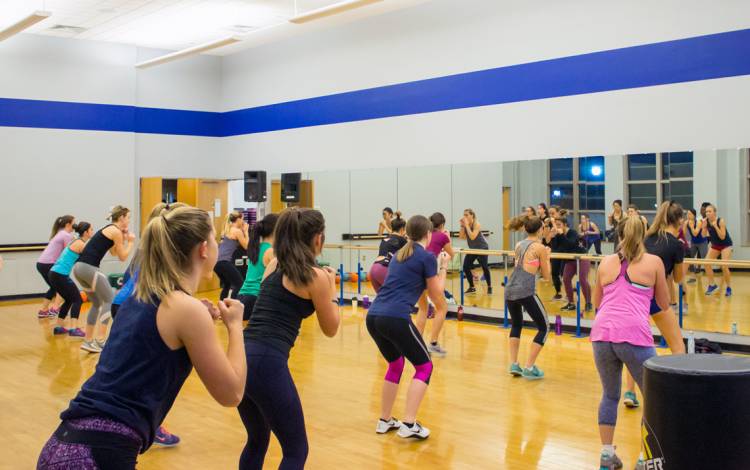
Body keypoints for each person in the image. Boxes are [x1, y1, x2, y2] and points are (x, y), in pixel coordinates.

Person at [38, 206, 247, 470]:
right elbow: (232, 393)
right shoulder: (185, 309)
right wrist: (235, 326)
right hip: (94, 455)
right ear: (203, 249)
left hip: (65, 443)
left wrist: (196, 314)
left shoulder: (143, 296)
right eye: (215, 240)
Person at [238, 208, 339, 470]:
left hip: (241, 355)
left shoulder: (274, 264)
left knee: (257, 438)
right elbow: (331, 328)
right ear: (318, 239)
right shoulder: (315, 277)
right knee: (296, 451)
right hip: (267, 362)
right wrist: (333, 290)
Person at [590, 216, 685, 470]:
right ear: (644, 235)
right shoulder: (653, 262)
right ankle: (646, 457)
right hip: (633, 335)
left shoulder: (606, 262)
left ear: (618, 234)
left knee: (610, 395)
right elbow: (664, 304)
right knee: (653, 397)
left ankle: (607, 456)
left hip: (601, 334)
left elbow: (597, 302)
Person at [366, 215, 448, 441]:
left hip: (373, 316)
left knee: (396, 362)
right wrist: (443, 268)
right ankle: (409, 423)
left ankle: (384, 420)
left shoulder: (401, 255)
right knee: (425, 367)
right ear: (428, 234)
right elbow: (436, 294)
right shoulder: (426, 257)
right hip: (395, 317)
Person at [73, 206, 135, 353]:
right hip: (89, 268)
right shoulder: (116, 231)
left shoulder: (111, 230)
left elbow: (114, 252)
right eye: (128, 217)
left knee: (96, 303)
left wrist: (124, 239)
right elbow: (122, 257)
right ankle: (100, 340)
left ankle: (88, 341)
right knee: (110, 299)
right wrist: (131, 242)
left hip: (79, 268)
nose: (128, 220)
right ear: (121, 218)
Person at [506, 215, 551, 380]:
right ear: (541, 230)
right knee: (544, 327)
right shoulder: (540, 248)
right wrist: (547, 257)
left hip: (510, 289)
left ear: (525, 229)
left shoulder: (519, 244)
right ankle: (529, 367)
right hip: (525, 291)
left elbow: (526, 265)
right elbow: (547, 276)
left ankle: (514, 364)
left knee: (516, 324)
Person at [416, 212, 455, 357]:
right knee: (442, 307)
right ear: (442, 225)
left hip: (418, 272)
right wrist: (448, 238)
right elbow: (451, 254)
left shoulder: (425, 234)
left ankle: (417, 342)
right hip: (429, 272)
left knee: (423, 308)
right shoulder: (443, 236)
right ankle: (433, 343)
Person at [48, 222, 92, 337]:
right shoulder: (81, 244)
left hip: (54, 273)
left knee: (68, 299)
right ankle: (74, 329)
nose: (92, 231)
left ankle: (59, 327)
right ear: (86, 232)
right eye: (91, 230)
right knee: (78, 299)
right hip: (60, 274)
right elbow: (90, 259)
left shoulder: (75, 241)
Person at [238, 213, 279, 322]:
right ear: (277, 230)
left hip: (241, 297)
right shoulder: (271, 252)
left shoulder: (256, 248)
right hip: (254, 299)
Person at [36, 215, 75, 318]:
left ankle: (43, 310)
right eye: (73, 224)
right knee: (61, 286)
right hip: (49, 264)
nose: (75, 226)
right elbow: (70, 251)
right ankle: (55, 309)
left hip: (41, 263)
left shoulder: (60, 233)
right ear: (68, 224)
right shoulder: (66, 235)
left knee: (54, 287)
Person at [553, 216, 592, 312]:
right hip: (570, 260)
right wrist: (553, 237)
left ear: (565, 225)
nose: (557, 227)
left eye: (559, 225)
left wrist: (561, 235)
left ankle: (588, 302)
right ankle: (571, 303)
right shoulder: (558, 234)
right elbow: (557, 248)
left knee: (583, 280)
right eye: (556, 225)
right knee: (566, 279)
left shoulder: (572, 232)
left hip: (582, 257)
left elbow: (569, 244)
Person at [214, 211, 249, 300]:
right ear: (238, 219)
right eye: (242, 219)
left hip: (217, 263)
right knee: (239, 284)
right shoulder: (237, 231)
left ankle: (222, 306)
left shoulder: (226, 230)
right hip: (224, 262)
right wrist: (246, 231)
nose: (243, 222)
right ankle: (231, 306)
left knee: (227, 284)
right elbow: (247, 246)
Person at [369, 214, 407, 293]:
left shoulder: (385, 238)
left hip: (373, 269)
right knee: (398, 295)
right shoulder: (402, 240)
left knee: (382, 299)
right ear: (402, 229)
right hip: (384, 269)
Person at [702, 204, 733, 296]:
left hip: (726, 245)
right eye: (706, 211)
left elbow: (723, 237)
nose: (707, 213)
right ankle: (712, 285)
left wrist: (715, 226)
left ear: (714, 212)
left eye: (710, 211)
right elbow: (704, 236)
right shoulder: (706, 222)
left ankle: (728, 287)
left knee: (724, 267)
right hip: (715, 245)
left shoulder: (720, 221)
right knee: (706, 264)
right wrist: (703, 227)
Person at [459, 209, 492, 295]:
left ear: (472, 216)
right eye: (464, 215)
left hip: (482, 248)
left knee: (484, 266)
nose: (464, 217)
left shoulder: (476, 224)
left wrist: (466, 225)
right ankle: (472, 287)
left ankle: (489, 286)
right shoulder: (466, 225)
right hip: (473, 249)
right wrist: (462, 226)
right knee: (466, 266)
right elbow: (462, 237)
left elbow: (472, 236)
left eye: (466, 215)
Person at [543, 206, 564, 301]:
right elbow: (547, 240)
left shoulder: (563, 223)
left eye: (553, 213)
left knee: (564, 274)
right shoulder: (551, 226)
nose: (551, 215)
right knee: (554, 273)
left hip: (564, 252)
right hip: (555, 252)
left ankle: (568, 293)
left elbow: (560, 233)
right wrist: (546, 225)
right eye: (549, 213)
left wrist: (552, 222)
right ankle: (558, 292)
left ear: (558, 213)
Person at [685, 208, 708, 278]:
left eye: (690, 214)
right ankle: (693, 275)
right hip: (693, 242)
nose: (688, 216)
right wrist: (684, 225)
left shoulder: (698, 222)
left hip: (702, 242)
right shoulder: (686, 222)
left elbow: (695, 233)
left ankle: (702, 271)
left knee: (704, 259)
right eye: (687, 214)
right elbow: (683, 233)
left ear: (694, 215)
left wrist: (691, 226)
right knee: (690, 258)